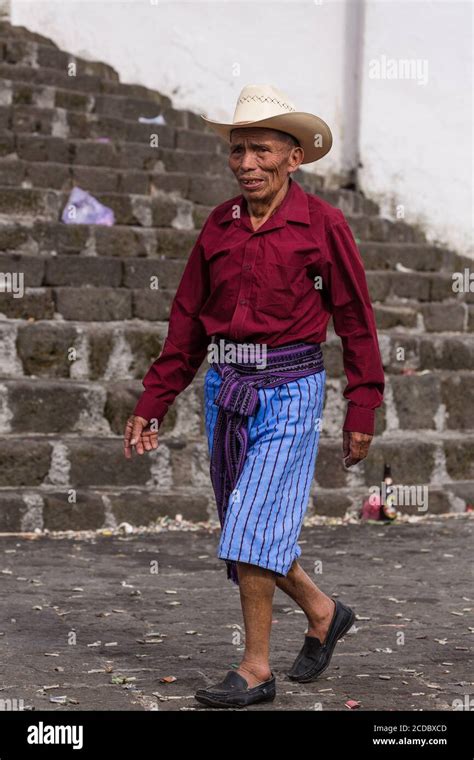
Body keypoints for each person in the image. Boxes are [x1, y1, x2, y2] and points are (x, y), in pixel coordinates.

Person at [123, 84, 385, 708]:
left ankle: (255, 669)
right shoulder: (219, 225)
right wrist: (152, 401)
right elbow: (186, 323)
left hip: (291, 390)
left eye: (261, 151)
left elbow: (355, 318)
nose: (246, 164)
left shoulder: (323, 226)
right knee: (254, 533)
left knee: (250, 531)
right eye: (237, 151)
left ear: (293, 157)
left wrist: (362, 404)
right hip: (225, 392)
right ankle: (323, 613)